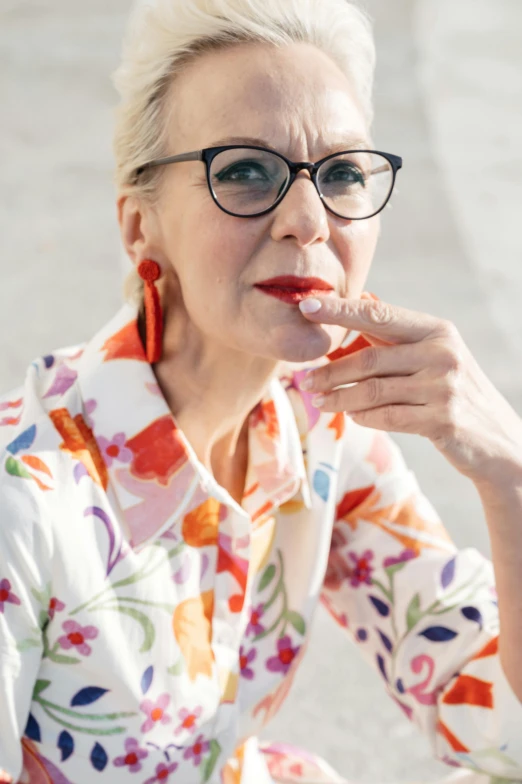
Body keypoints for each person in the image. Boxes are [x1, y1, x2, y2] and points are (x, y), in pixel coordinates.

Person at [1, 0, 522, 782]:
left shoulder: (318, 424)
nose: (308, 220)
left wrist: (509, 476)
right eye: (245, 169)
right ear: (140, 225)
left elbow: (498, 732)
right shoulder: (27, 498)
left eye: (343, 172)